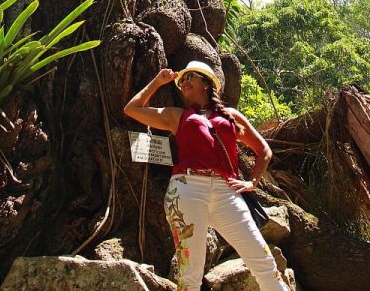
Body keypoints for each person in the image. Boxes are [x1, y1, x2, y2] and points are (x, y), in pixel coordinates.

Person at [124, 60, 290, 291]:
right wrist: (158, 82)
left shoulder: (230, 115)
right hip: (187, 188)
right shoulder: (177, 116)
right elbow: (132, 109)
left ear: (206, 84)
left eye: (191, 77)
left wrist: (252, 182)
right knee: (190, 273)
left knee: (263, 260)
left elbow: (264, 151)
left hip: (227, 192)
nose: (184, 82)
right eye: (182, 81)